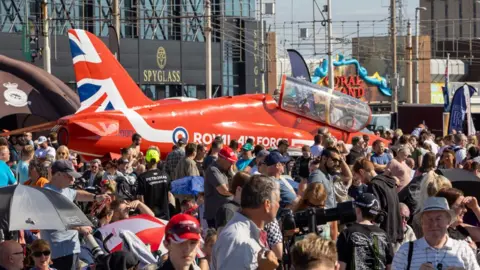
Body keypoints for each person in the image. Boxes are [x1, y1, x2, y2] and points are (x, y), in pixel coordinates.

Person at [41, 160, 110, 270]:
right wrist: (79, 227)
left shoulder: (64, 189)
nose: (73, 179)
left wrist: (96, 197)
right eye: (70, 176)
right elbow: (54, 218)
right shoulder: (47, 193)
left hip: (71, 247)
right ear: (58, 174)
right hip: (59, 251)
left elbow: (76, 194)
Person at [212, 175, 280, 270]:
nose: (278, 205)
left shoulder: (247, 233)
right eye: (278, 200)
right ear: (267, 205)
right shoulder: (237, 239)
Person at [392, 197, 480, 270]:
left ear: (448, 221)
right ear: (422, 223)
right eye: (429, 219)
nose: (434, 224)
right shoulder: (406, 250)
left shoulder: (463, 249)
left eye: (438, 219)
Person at [337, 193, 394, 270]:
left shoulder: (346, 233)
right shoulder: (384, 234)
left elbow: (341, 266)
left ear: (358, 210)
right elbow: (390, 266)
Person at [353, 158, 403, 245]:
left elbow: (375, 211)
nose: (360, 180)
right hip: (396, 232)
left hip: (384, 236)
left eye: (357, 176)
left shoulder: (374, 185)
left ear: (361, 171)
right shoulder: (388, 182)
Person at [204, 147, 236, 228]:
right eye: (230, 161)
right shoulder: (213, 170)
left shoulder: (227, 169)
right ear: (222, 159)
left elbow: (239, 182)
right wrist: (237, 192)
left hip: (226, 213)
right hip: (216, 215)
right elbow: (224, 190)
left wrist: (232, 173)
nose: (232, 164)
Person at [137, 148, 171, 219]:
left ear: (146, 160)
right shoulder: (166, 175)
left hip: (150, 216)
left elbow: (141, 199)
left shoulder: (142, 177)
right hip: (165, 216)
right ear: (158, 160)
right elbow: (169, 197)